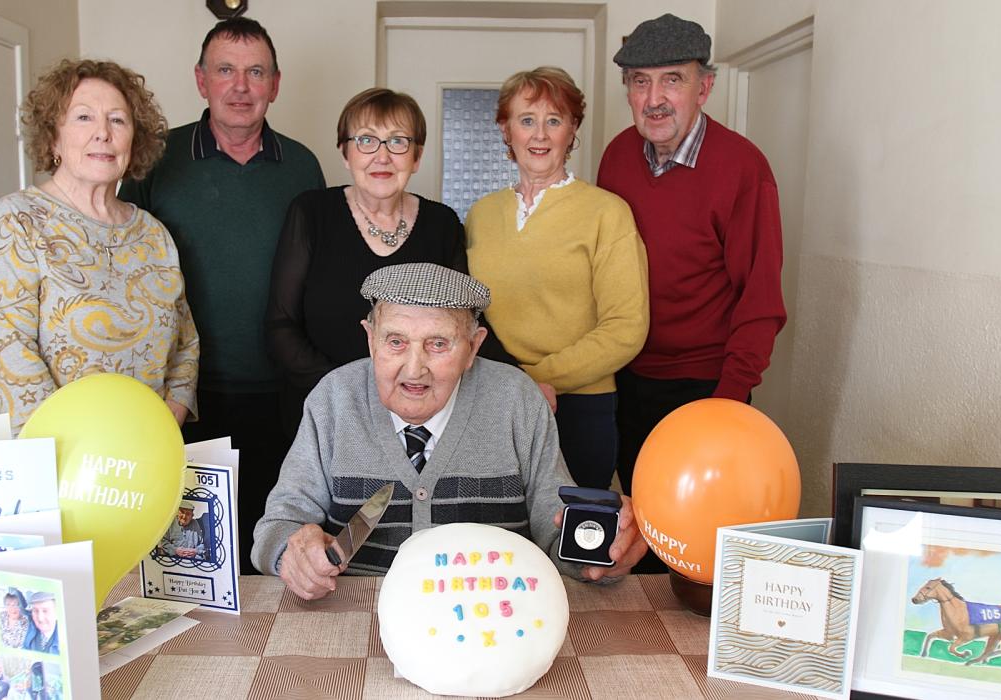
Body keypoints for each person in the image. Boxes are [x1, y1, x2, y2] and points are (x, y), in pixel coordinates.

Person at [253, 263, 649, 600]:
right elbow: (277, 526)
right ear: (370, 339)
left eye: (438, 344)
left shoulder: (517, 401)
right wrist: (292, 550)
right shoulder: (333, 400)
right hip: (358, 624)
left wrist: (604, 550)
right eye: (395, 342)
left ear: (474, 347)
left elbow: (556, 529)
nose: (413, 369)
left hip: (491, 622)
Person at [118, 18, 324, 574]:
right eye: (225, 71)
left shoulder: (303, 166)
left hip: (283, 396)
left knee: (271, 548)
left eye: (255, 72)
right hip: (184, 396)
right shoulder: (154, 160)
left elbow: (320, 274)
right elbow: (123, 264)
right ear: (200, 80)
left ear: (275, 84)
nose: (240, 86)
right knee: (188, 562)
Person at [597, 14, 786, 503]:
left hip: (707, 382)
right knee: (639, 512)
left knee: (699, 522)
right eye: (641, 82)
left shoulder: (744, 169)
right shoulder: (617, 157)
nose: (654, 99)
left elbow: (760, 300)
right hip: (627, 377)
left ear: (704, 88)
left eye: (672, 80)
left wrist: (727, 404)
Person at [0, 58, 199, 436]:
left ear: (134, 140)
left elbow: (186, 343)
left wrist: (165, 427)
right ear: (53, 137)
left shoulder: (154, 234)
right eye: (84, 117)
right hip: (59, 459)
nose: (102, 133)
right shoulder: (18, 222)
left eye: (118, 120)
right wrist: (83, 453)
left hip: (149, 452)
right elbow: (10, 357)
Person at [466, 67, 649, 490]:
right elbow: (468, 314)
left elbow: (627, 328)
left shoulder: (607, 212)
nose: (540, 135)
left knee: (575, 540)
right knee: (502, 540)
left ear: (572, 130)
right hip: (493, 404)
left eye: (555, 120)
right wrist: (513, 384)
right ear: (505, 129)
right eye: (526, 120)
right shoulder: (481, 214)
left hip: (581, 408)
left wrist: (535, 380)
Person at [265, 88, 468, 437]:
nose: (382, 156)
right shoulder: (312, 213)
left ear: (417, 157)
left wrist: (526, 380)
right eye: (366, 141)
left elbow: (463, 326)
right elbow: (280, 325)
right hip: (322, 412)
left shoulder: (442, 223)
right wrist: (348, 393)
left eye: (398, 142)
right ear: (345, 153)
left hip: (416, 418)